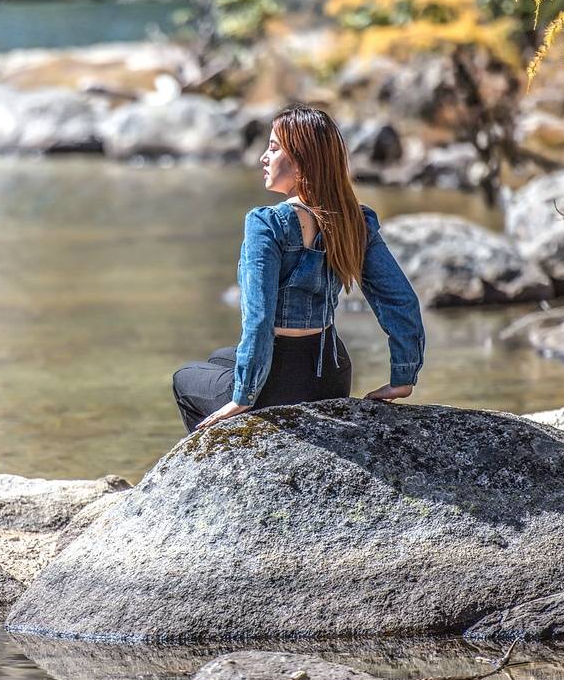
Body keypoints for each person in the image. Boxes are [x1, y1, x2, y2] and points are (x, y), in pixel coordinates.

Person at [172, 103, 426, 433]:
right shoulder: (355, 220)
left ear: (302, 161)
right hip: (331, 376)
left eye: (274, 147)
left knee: (184, 379)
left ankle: (219, 461)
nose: (263, 157)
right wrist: (402, 378)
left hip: (279, 386)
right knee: (221, 357)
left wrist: (243, 398)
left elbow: (259, 317)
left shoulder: (267, 224)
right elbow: (400, 300)